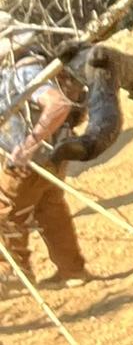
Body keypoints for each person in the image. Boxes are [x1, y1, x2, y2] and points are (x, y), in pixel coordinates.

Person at [0, 35, 115, 287]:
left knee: (5, 213)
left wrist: (28, 146)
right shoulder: (31, 66)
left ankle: (13, 273)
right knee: (49, 211)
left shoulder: (23, 72)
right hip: (52, 155)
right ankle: (72, 271)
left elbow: (58, 104)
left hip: (30, 161)